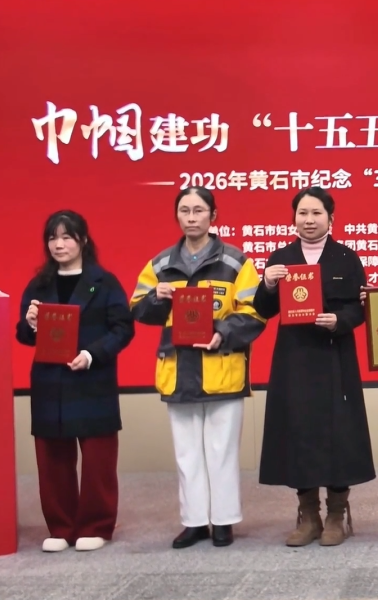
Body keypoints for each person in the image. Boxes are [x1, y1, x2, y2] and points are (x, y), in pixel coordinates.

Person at [129, 187, 266, 549]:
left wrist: (223, 332)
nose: (191, 217)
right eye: (185, 210)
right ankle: (193, 522)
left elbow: (254, 312)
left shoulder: (236, 262)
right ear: (177, 216)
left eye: (199, 210)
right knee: (187, 453)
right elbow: (137, 309)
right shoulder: (160, 265)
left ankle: (223, 521)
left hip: (222, 368)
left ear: (213, 216)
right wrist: (156, 298)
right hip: (178, 370)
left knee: (222, 451)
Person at [255, 187, 375, 547]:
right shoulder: (281, 258)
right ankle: (309, 516)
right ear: (294, 218)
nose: (309, 220)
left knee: (339, 432)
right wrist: (268, 283)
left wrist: (339, 320)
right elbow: (263, 310)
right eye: (302, 213)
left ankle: (337, 514)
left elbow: (360, 308)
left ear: (330, 218)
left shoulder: (346, 258)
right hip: (294, 359)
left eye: (316, 213)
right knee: (298, 432)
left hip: (334, 356)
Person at [15, 210, 134, 553]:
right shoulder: (39, 285)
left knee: (97, 460)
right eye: (53, 238)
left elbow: (123, 328)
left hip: (91, 378)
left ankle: (96, 525)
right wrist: (31, 323)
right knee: (52, 459)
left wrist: (92, 354)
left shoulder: (104, 282)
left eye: (67, 237)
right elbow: (24, 335)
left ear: (82, 240)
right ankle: (61, 526)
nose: (59, 244)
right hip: (49, 382)